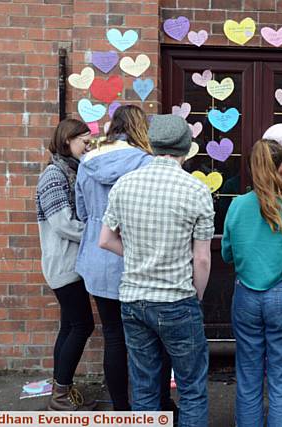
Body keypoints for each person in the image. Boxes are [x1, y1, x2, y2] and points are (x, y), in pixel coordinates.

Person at [99, 114, 213, 426]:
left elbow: (105, 239)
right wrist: (196, 295)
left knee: (145, 388)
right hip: (177, 299)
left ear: (151, 144)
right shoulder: (196, 190)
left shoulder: (124, 185)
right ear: (186, 149)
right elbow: (202, 259)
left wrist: (137, 254)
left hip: (133, 300)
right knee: (192, 389)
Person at [74, 105, 176, 413]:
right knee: (155, 339)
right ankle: (160, 404)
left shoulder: (86, 162)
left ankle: (120, 409)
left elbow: (81, 211)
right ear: (139, 129)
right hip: (134, 258)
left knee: (114, 337)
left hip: (96, 256)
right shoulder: (146, 163)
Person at [221, 138, 282, 427]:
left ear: (252, 169)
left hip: (246, 295)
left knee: (248, 373)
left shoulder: (237, 207)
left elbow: (227, 253)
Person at [35, 118, 96, 411]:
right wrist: (98, 232)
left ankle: (61, 389)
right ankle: (60, 396)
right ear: (66, 141)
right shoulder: (53, 175)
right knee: (82, 325)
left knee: (69, 326)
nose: (88, 148)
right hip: (64, 265)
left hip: (71, 264)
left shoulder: (68, 171)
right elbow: (63, 224)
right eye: (84, 142)